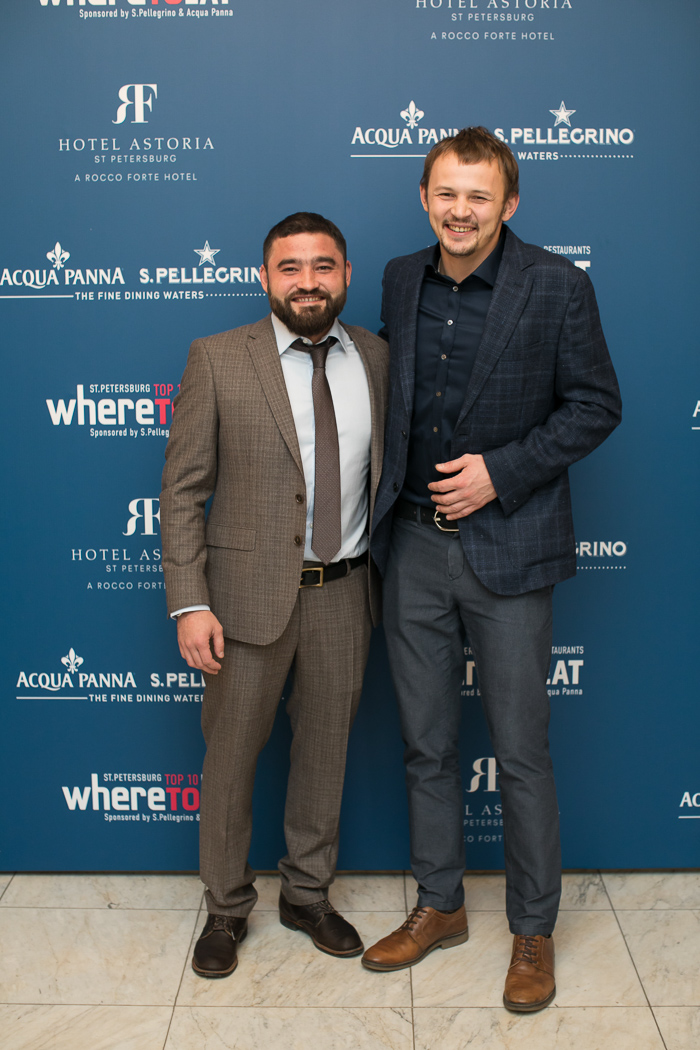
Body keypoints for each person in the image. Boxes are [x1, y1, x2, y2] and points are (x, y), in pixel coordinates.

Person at [362, 127, 621, 1011]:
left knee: (520, 754)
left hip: (510, 546)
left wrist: (500, 474)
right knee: (426, 743)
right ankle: (439, 905)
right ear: (424, 198)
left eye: (478, 196)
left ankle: (533, 930)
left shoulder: (558, 285)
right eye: (446, 193)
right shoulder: (401, 277)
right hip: (410, 546)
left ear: (509, 204)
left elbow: (597, 405)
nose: (460, 211)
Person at [160, 212, 388, 978]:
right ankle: (226, 906)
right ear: (265, 277)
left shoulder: (378, 359)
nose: (307, 282)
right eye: (290, 267)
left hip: (345, 593)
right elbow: (182, 490)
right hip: (242, 602)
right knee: (229, 759)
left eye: (323, 266)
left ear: (346, 275)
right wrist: (191, 602)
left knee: (325, 756)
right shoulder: (219, 358)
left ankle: (307, 895)